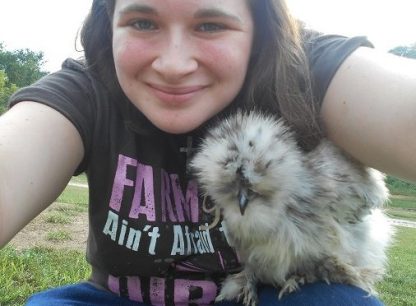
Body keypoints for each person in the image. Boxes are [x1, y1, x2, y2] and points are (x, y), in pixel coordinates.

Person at [0, 0, 415, 305]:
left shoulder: (303, 73)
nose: (174, 64)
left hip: (273, 293)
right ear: (108, 26)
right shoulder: (87, 92)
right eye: (143, 22)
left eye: (211, 25)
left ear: (259, 30)